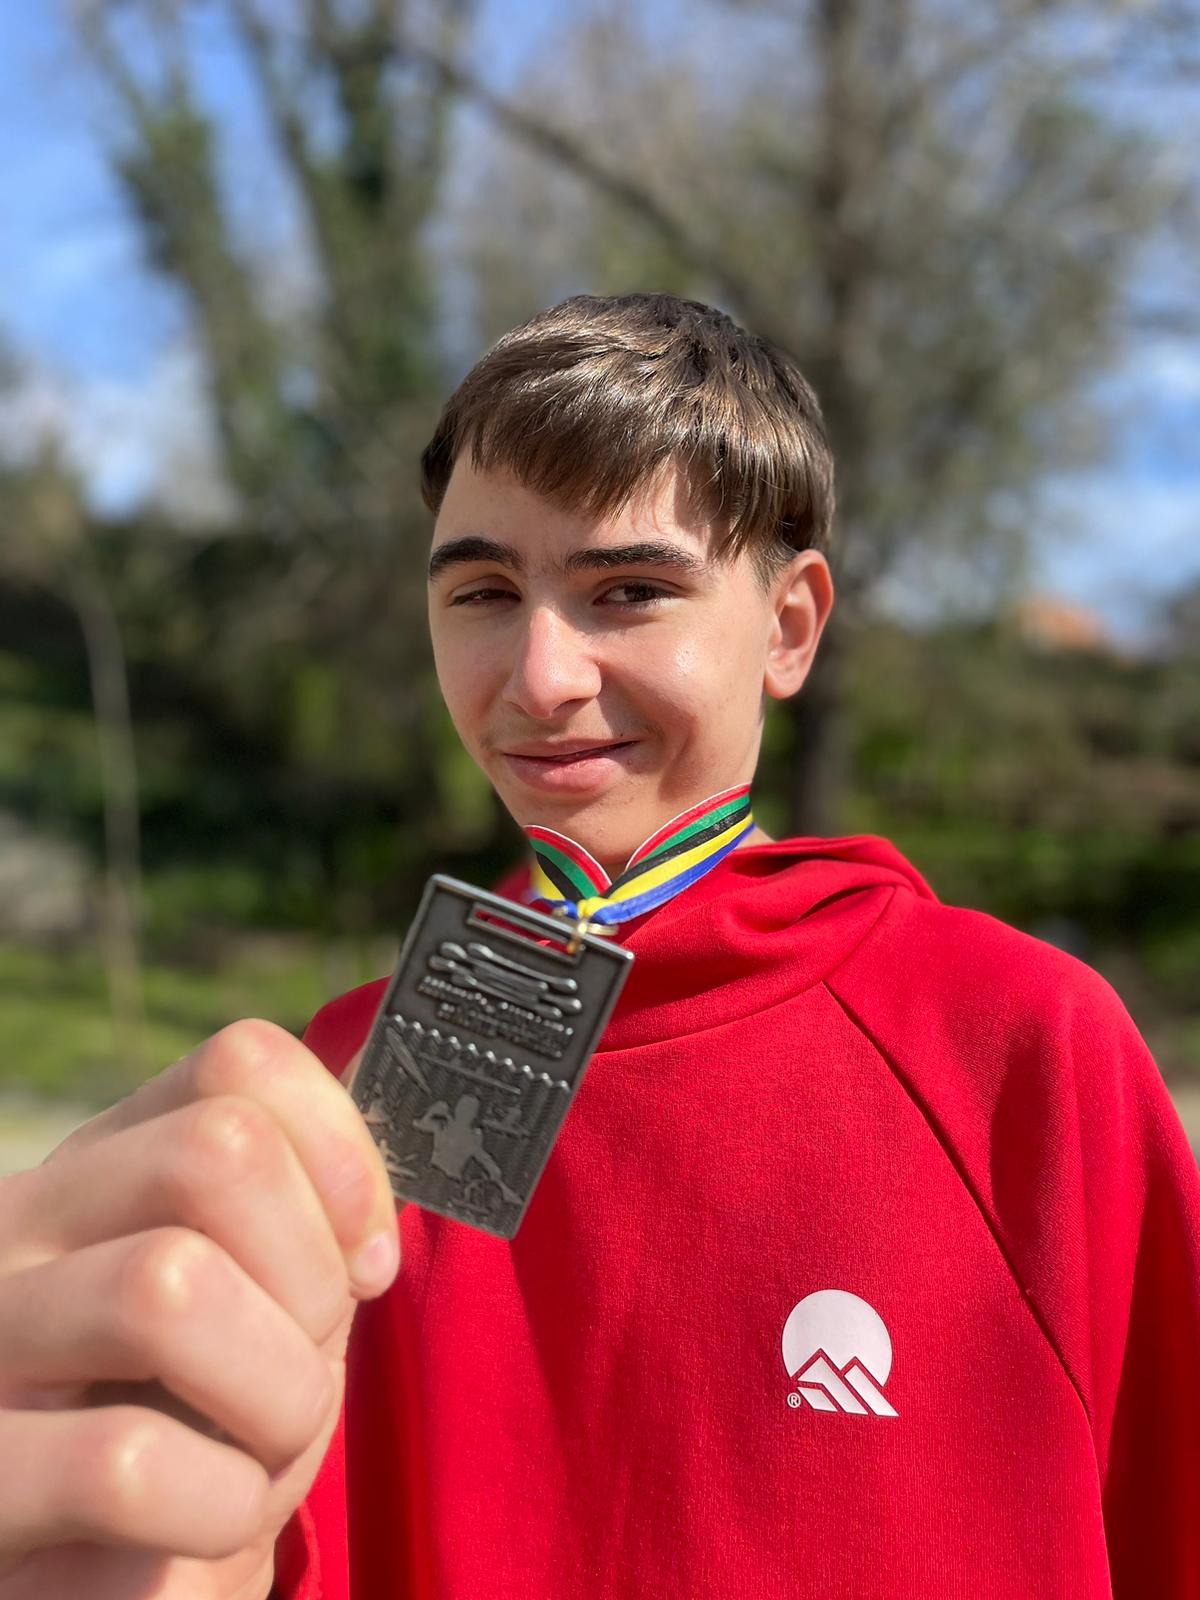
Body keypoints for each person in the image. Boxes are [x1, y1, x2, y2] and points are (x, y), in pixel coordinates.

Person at [0, 293, 1196, 1600]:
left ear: (790, 627)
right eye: (484, 592)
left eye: (629, 591)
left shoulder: (1021, 1045)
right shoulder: (348, 1074)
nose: (541, 677)